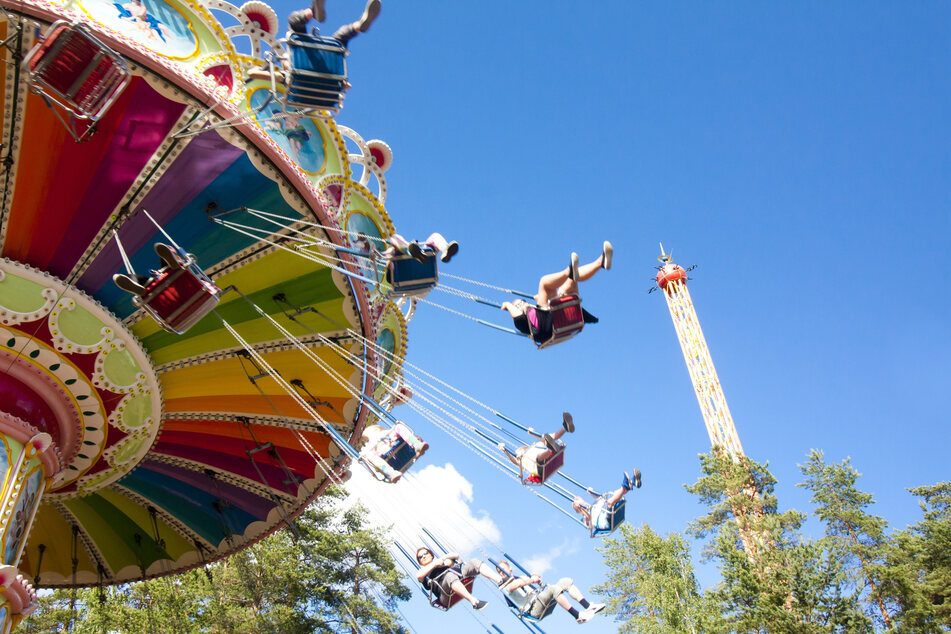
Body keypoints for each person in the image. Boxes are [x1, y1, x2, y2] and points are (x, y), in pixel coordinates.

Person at [500, 241, 612, 342]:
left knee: (570, 282)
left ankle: (600, 262)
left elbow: (543, 308)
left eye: (522, 301)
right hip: (545, 327)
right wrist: (508, 305)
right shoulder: (522, 322)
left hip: (555, 318)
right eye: (518, 304)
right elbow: (518, 316)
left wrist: (540, 299)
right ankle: (568, 271)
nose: (523, 303)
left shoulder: (533, 313)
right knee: (544, 283)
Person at [247, 0, 381, 82]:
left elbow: (251, 73)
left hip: (313, 64)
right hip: (323, 67)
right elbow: (347, 86)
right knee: (337, 41)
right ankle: (356, 26)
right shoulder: (289, 75)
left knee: (339, 39)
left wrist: (267, 70)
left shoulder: (286, 78)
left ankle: (312, 12)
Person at [495, 560, 606, 624]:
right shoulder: (504, 585)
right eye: (500, 571)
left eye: (503, 569)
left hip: (539, 599)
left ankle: (588, 606)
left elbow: (524, 582)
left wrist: (536, 581)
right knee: (553, 589)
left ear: (510, 568)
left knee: (565, 581)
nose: (502, 572)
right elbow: (516, 585)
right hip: (532, 610)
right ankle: (578, 616)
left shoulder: (521, 577)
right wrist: (532, 579)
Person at [415, 548, 502, 611]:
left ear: (431, 554)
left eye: (425, 553)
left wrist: (443, 558)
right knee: (449, 576)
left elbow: (456, 555)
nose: (423, 556)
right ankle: (474, 602)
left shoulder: (442, 562)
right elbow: (419, 576)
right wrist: (434, 564)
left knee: (474, 562)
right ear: (420, 562)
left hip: (457, 577)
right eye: (420, 557)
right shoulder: (423, 572)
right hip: (444, 593)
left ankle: (500, 580)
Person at [498, 412, 574, 483]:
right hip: (540, 467)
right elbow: (514, 461)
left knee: (548, 437)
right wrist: (505, 451)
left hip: (547, 458)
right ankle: (550, 449)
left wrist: (532, 434)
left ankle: (565, 428)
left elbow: (541, 439)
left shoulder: (533, 448)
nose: (519, 457)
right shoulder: (523, 462)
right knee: (539, 457)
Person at [573, 469, 641, 533]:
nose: (584, 505)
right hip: (606, 522)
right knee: (609, 503)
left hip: (608, 515)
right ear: (579, 510)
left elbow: (601, 500)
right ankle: (626, 485)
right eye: (581, 505)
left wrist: (591, 493)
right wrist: (582, 511)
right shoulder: (584, 519)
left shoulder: (593, 508)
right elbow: (589, 518)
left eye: (583, 503)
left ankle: (632, 482)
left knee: (614, 494)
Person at [359, 423, 427, 482]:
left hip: (404, 449)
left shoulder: (389, 433)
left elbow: (401, 433)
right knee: (368, 455)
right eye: (368, 437)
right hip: (391, 462)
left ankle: (416, 444)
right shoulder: (372, 447)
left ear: (379, 429)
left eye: (374, 431)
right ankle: (390, 472)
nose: (373, 435)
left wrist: (416, 439)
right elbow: (375, 465)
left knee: (399, 426)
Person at [112, 243, 183, 296]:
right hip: (167, 281)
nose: (170, 247)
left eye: (170, 247)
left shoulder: (182, 262)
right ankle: (137, 287)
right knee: (138, 279)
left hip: (173, 275)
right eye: (169, 248)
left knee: (165, 261)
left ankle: (172, 262)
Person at [386, 232, 458, 264]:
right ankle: (444, 249)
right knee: (435, 236)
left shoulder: (392, 253)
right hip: (425, 260)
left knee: (395, 238)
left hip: (405, 261)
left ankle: (412, 251)